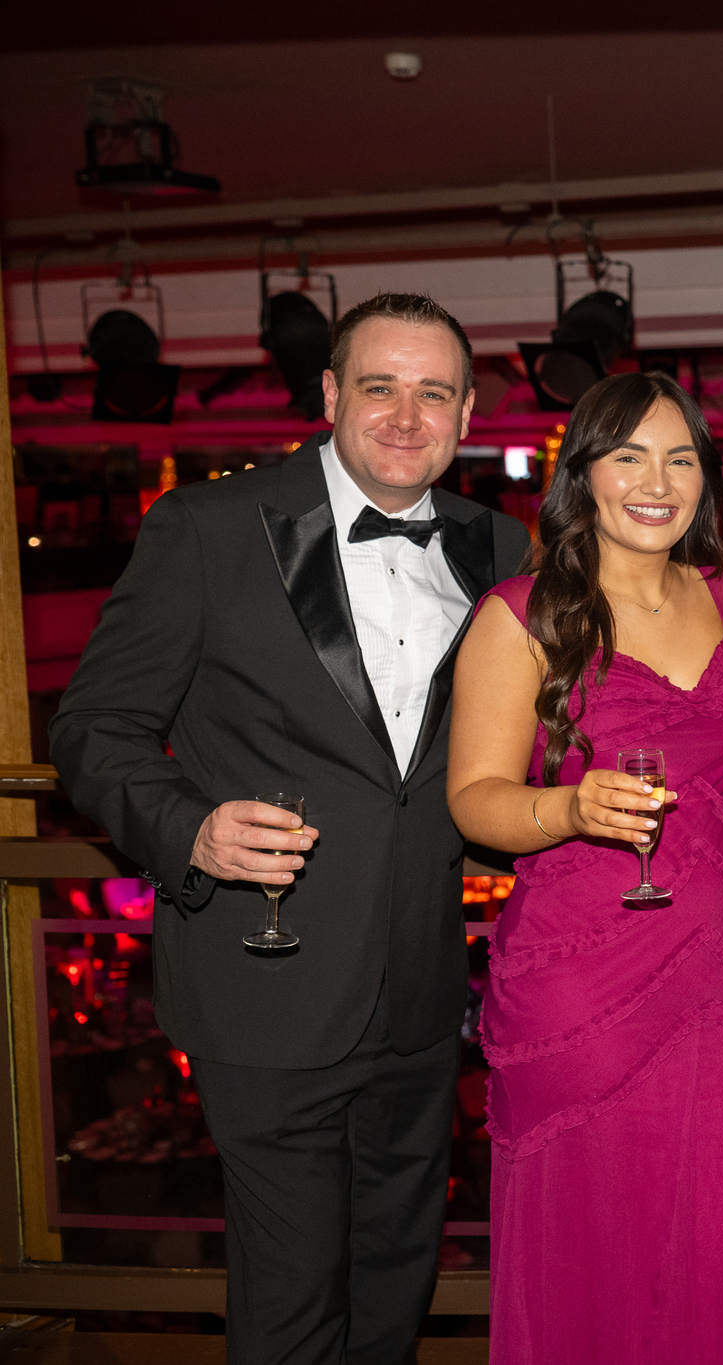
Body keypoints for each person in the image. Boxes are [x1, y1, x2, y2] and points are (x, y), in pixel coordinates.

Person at [49, 294, 530, 1363]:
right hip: (266, 975)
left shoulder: (498, 543)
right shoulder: (208, 529)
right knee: (291, 1298)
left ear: (465, 414)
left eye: (433, 393)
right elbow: (93, 728)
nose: (405, 416)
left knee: (393, 1284)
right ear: (328, 394)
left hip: (418, 991)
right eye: (379, 386)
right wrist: (191, 831)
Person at [446, 372, 723, 1363]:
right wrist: (568, 808)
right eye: (629, 456)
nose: (657, 482)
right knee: (596, 1248)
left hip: (722, 966)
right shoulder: (520, 613)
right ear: (584, 475)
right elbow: (473, 797)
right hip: (579, 980)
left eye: (680, 459)